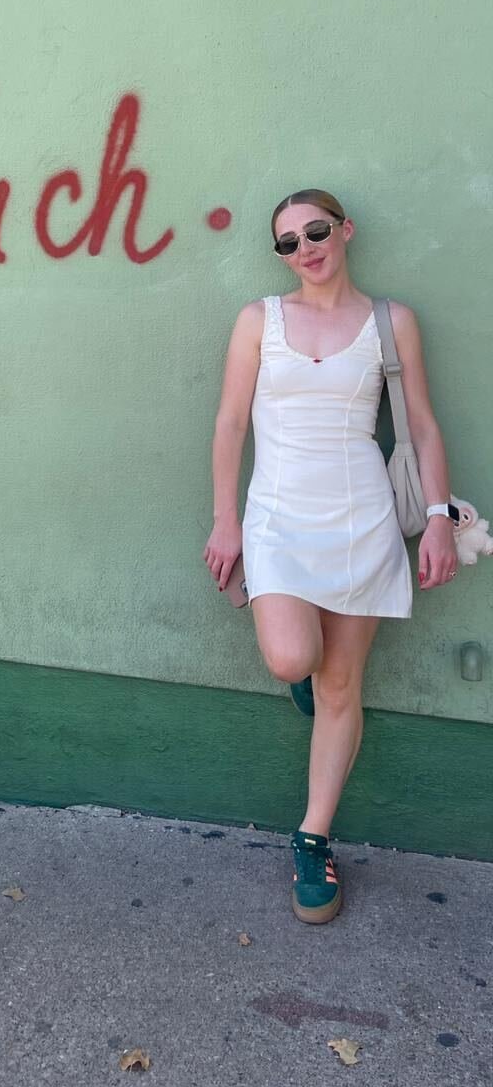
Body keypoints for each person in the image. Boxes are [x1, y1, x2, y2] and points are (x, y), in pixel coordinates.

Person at [203, 189, 457, 923]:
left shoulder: (392, 322)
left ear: (345, 230)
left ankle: (313, 839)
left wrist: (438, 520)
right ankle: (314, 695)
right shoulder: (260, 321)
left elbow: (424, 427)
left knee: (343, 686)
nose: (305, 248)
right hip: (278, 519)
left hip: (362, 520)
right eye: (288, 241)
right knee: (292, 658)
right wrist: (227, 522)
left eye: (316, 231)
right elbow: (228, 424)